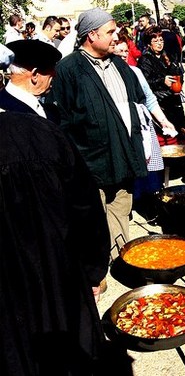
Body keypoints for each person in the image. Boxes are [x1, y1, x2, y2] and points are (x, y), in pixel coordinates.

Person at [0, 111, 110, 376]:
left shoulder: (41, 131)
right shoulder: (41, 131)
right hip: (58, 277)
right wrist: (94, 270)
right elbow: (86, 208)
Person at [46, 7, 148, 260]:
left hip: (123, 155)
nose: (116, 37)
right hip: (91, 162)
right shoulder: (68, 70)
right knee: (92, 215)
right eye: (110, 32)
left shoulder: (120, 66)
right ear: (92, 35)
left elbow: (137, 105)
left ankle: (119, 256)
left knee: (121, 207)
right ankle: (94, 264)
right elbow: (61, 120)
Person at [113, 37, 176, 223]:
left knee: (149, 168)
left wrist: (164, 121)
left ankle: (149, 204)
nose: (123, 55)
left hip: (142, 126)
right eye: (119, 52)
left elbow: (149, 99)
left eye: (126, 51)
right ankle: (128, 204)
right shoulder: (108, 76)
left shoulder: (136, 72)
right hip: (122, 128)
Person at [138, 25, 185, 144]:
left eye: (161, 40)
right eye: (155, 41)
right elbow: (144, 83)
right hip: (159, 103)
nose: (159, 43)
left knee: (181, 132)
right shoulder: (145, 59)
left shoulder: (167, 56)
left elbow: (179, 74)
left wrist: (178, 75)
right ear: (149, 44)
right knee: (166, 136)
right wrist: (162, 81)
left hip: (173, 100)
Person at [0, 40, 61, 121]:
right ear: (35, 75)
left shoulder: (46, 110)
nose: (54, 75)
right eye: (51, 70)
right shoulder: (10, 114)